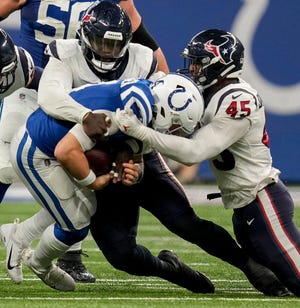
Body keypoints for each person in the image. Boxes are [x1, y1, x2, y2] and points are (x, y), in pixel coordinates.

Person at [0, 2, 288, 295]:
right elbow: (52, 101)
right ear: (84, 37)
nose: (106, 52)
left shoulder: (143, 58)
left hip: (138, 150)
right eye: (100, 42)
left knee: (184, 221)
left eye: (115, 45)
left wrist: (134, 153)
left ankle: (250, 265)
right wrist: (90, 119)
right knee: (121, 254)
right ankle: (170, 270)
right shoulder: (65, 53)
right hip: (95, 155)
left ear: (128, 41)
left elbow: (162, 105)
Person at [113, 28, 300, 297]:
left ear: (222, 64)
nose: (194, 68)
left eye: (200, 62)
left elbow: (195, 152)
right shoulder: (207, 93)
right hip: (244, 208)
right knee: (279, 286)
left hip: (263, 200)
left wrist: (141, 132)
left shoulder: (238, 99)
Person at [0, 0, 169, 283]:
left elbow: (140, 33)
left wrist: (167, 79)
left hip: (79, 87)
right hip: (33, 83)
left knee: (81, 173)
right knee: (4, 166)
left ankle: (70, 256)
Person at [9, 74, 215, 293]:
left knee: (83, 207)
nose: (174, 133)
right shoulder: (116, 115)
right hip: (37, 150)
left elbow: (134, 147)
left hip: (56, 146)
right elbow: (66, 150)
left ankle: (19, 235)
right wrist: (93, 181)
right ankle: (40, 265)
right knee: (75, 224)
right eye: (175, 126)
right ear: (164, 111)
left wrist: (133, 167)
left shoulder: (144, 104)